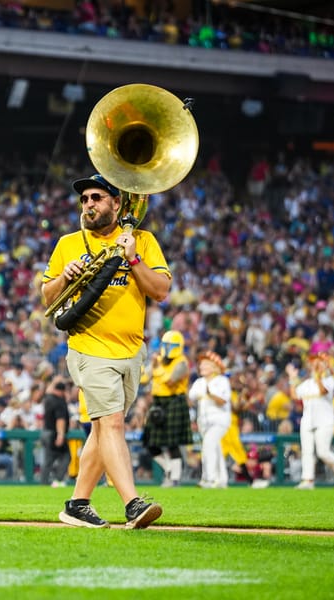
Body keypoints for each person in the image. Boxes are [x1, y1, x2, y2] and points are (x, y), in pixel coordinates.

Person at [40, 174, 168, 529]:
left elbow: (161, 290)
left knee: (102, 430)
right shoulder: (68, 243)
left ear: (116, 202)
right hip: (88, 347)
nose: (88, 204)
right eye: (84, 200)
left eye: (96, 197)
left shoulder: (141, 240)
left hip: (131, 352)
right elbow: (47, 297)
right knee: (111, 423)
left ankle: (77, 504)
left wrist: (134, 259)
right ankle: (132, 504)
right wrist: (64, 277)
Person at [287, 353, 334, 490]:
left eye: (317, 364)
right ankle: (308, 480)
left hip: (325, 420)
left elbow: (323, 391)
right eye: (313, 364)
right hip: (308, 420)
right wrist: (292, 378)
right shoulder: (307, 384)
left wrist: (318, 375)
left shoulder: (329, 380)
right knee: (307, 451)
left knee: (323, 452)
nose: (314, 366)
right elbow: (294, 395)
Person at [143, 330, 192, 487]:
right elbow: (144, 379)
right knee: (149, 442)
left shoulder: (182, 362)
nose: (169, 348)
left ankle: (175, 478)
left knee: (173, 444)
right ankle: (168, 468)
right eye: (166, 344)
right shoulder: (158, 361)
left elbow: (171, 381)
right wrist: (151, 365)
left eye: (172, 345)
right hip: (158, 403)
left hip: (174, 402)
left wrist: (156, 368)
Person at [188, 352, 232, 488]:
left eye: (206, 364)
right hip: (204, 421)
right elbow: (191, 397)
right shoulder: (199, 382)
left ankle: (209, 478)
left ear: (214, 366)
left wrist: (210, 394)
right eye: (201, 364)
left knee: (209, 445)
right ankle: (222, 480)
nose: (202, 366)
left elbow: (223, 400)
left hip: (219, 420)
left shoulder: (222, 381)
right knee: (214, 448)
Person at [41, 376, 70, 487]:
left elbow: (49, 390)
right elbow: (60, 420)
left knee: (48, 458)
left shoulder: (48, 398)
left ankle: (44, 482)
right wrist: (61, 435)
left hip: (45, 432)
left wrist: (54, 381)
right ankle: (58, 480)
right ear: (62, 391)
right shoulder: (59, 402)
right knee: (66, 456)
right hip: (54, 433)